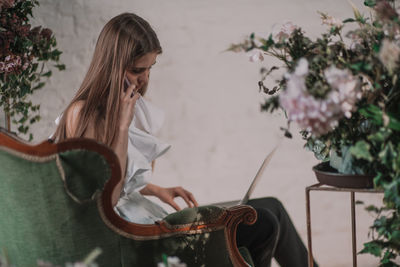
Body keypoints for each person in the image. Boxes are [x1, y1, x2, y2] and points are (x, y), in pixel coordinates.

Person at [53, 13, 317, 267]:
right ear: (112, 66)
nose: (144, 79)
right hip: (137, 236)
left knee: (273, 206)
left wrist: (156, 189)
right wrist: (122, 127)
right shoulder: (82, 114)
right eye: (137, 70)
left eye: (150, 68)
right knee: (264, 222)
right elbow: (106, 199)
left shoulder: (127, 107)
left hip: (148, 216)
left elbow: (120, 177)